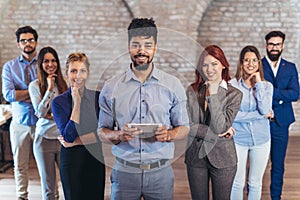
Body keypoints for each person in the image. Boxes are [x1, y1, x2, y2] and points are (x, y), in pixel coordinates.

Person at [98, 17, 189, 200]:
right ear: (128, 46)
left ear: (155, 47)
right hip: (124, 172)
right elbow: (102, 130)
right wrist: (118, 135)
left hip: (160, 173)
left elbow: (184, 127)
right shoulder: (111, 87)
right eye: (136, 45)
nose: (141, 51)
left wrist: (170, 134)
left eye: (147, 45)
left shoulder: (172, 85)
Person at [185, 45, 242, 200]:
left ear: (223, 65)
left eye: (214, 63)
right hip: (195, 156)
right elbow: (187, 125)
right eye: (205, 64)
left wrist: (214, 93)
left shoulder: (234, 95)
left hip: (223, 158)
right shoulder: (192, 91)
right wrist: (216, 133)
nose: (209, 69)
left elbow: (220, 126)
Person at [52, 53, 105, 200]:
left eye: (82, 71)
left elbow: (103, 133)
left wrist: (75, 142)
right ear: (67, 73)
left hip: (95, 158)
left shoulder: (97, 98)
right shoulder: (58, 102)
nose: (78, 76)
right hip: (71, 162)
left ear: (87, 73)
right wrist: (77, 104)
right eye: (73, 71)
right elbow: (68, 135)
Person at [229, 46, 273, 200]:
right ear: (241, 63)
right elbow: (231, 116)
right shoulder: (231, 85)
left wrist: (258, 83)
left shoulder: (267, 86)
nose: (251, 64)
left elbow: (266, 108)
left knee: (255, 183)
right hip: (238, 140)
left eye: (254, 60)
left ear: (259, 63)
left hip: (261, 140)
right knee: (237, 182)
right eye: (247, 60)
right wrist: (260, 115)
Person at [261, 31, 300, 200]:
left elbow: (295, 94)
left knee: (278, 164)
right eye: (271, 44)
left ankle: (276, 197)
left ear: (282, 46)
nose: (274, 48)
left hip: (281, 123)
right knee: (257, 164)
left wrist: (270, 91)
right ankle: (251, 194)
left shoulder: (290, 67)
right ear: (266, 45)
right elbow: (255, 92)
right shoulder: (258, 65)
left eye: (277, 44)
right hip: (260, 122)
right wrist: (281, 93)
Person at [2, 26, 38, 200]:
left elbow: (50, 91)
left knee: (47, 164)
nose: (27, 43)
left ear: (36, 42)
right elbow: (8, 95)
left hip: (42, 121)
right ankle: (21, 196)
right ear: (18, 44)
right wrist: (35, 94)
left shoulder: (45, 63)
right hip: (20, 122)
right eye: (23, 40)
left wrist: (21, 94)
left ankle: (52, 194)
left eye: (30, 39)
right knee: (20, 164)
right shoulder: (10, 67)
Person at [28, 46, 68, 200]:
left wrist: (52, 115)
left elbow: (67, 112)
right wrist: (50, 88)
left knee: (68, 182)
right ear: (40, 64)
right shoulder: (34, 86)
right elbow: (41, 113)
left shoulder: (63, 85)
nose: (50, 64)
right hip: (43, 140)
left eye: (53, 61)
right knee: (49, 186)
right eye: (46, 61)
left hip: (62, 139)